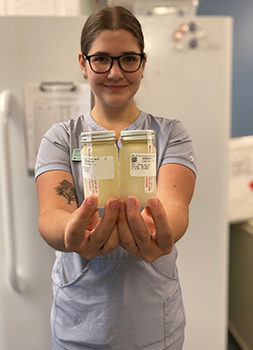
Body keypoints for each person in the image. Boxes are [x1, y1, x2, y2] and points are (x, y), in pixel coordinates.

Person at [35, 6, 196, 350]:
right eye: (102, 59)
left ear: (143, 61)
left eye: (128, 59)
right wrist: (71, 233)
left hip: (154, 326)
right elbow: (50, 214)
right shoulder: (61, 138)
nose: (115, 72)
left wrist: (160, 232)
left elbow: (175, 207)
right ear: (83, 63)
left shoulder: (171, 135)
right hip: (80, 324)